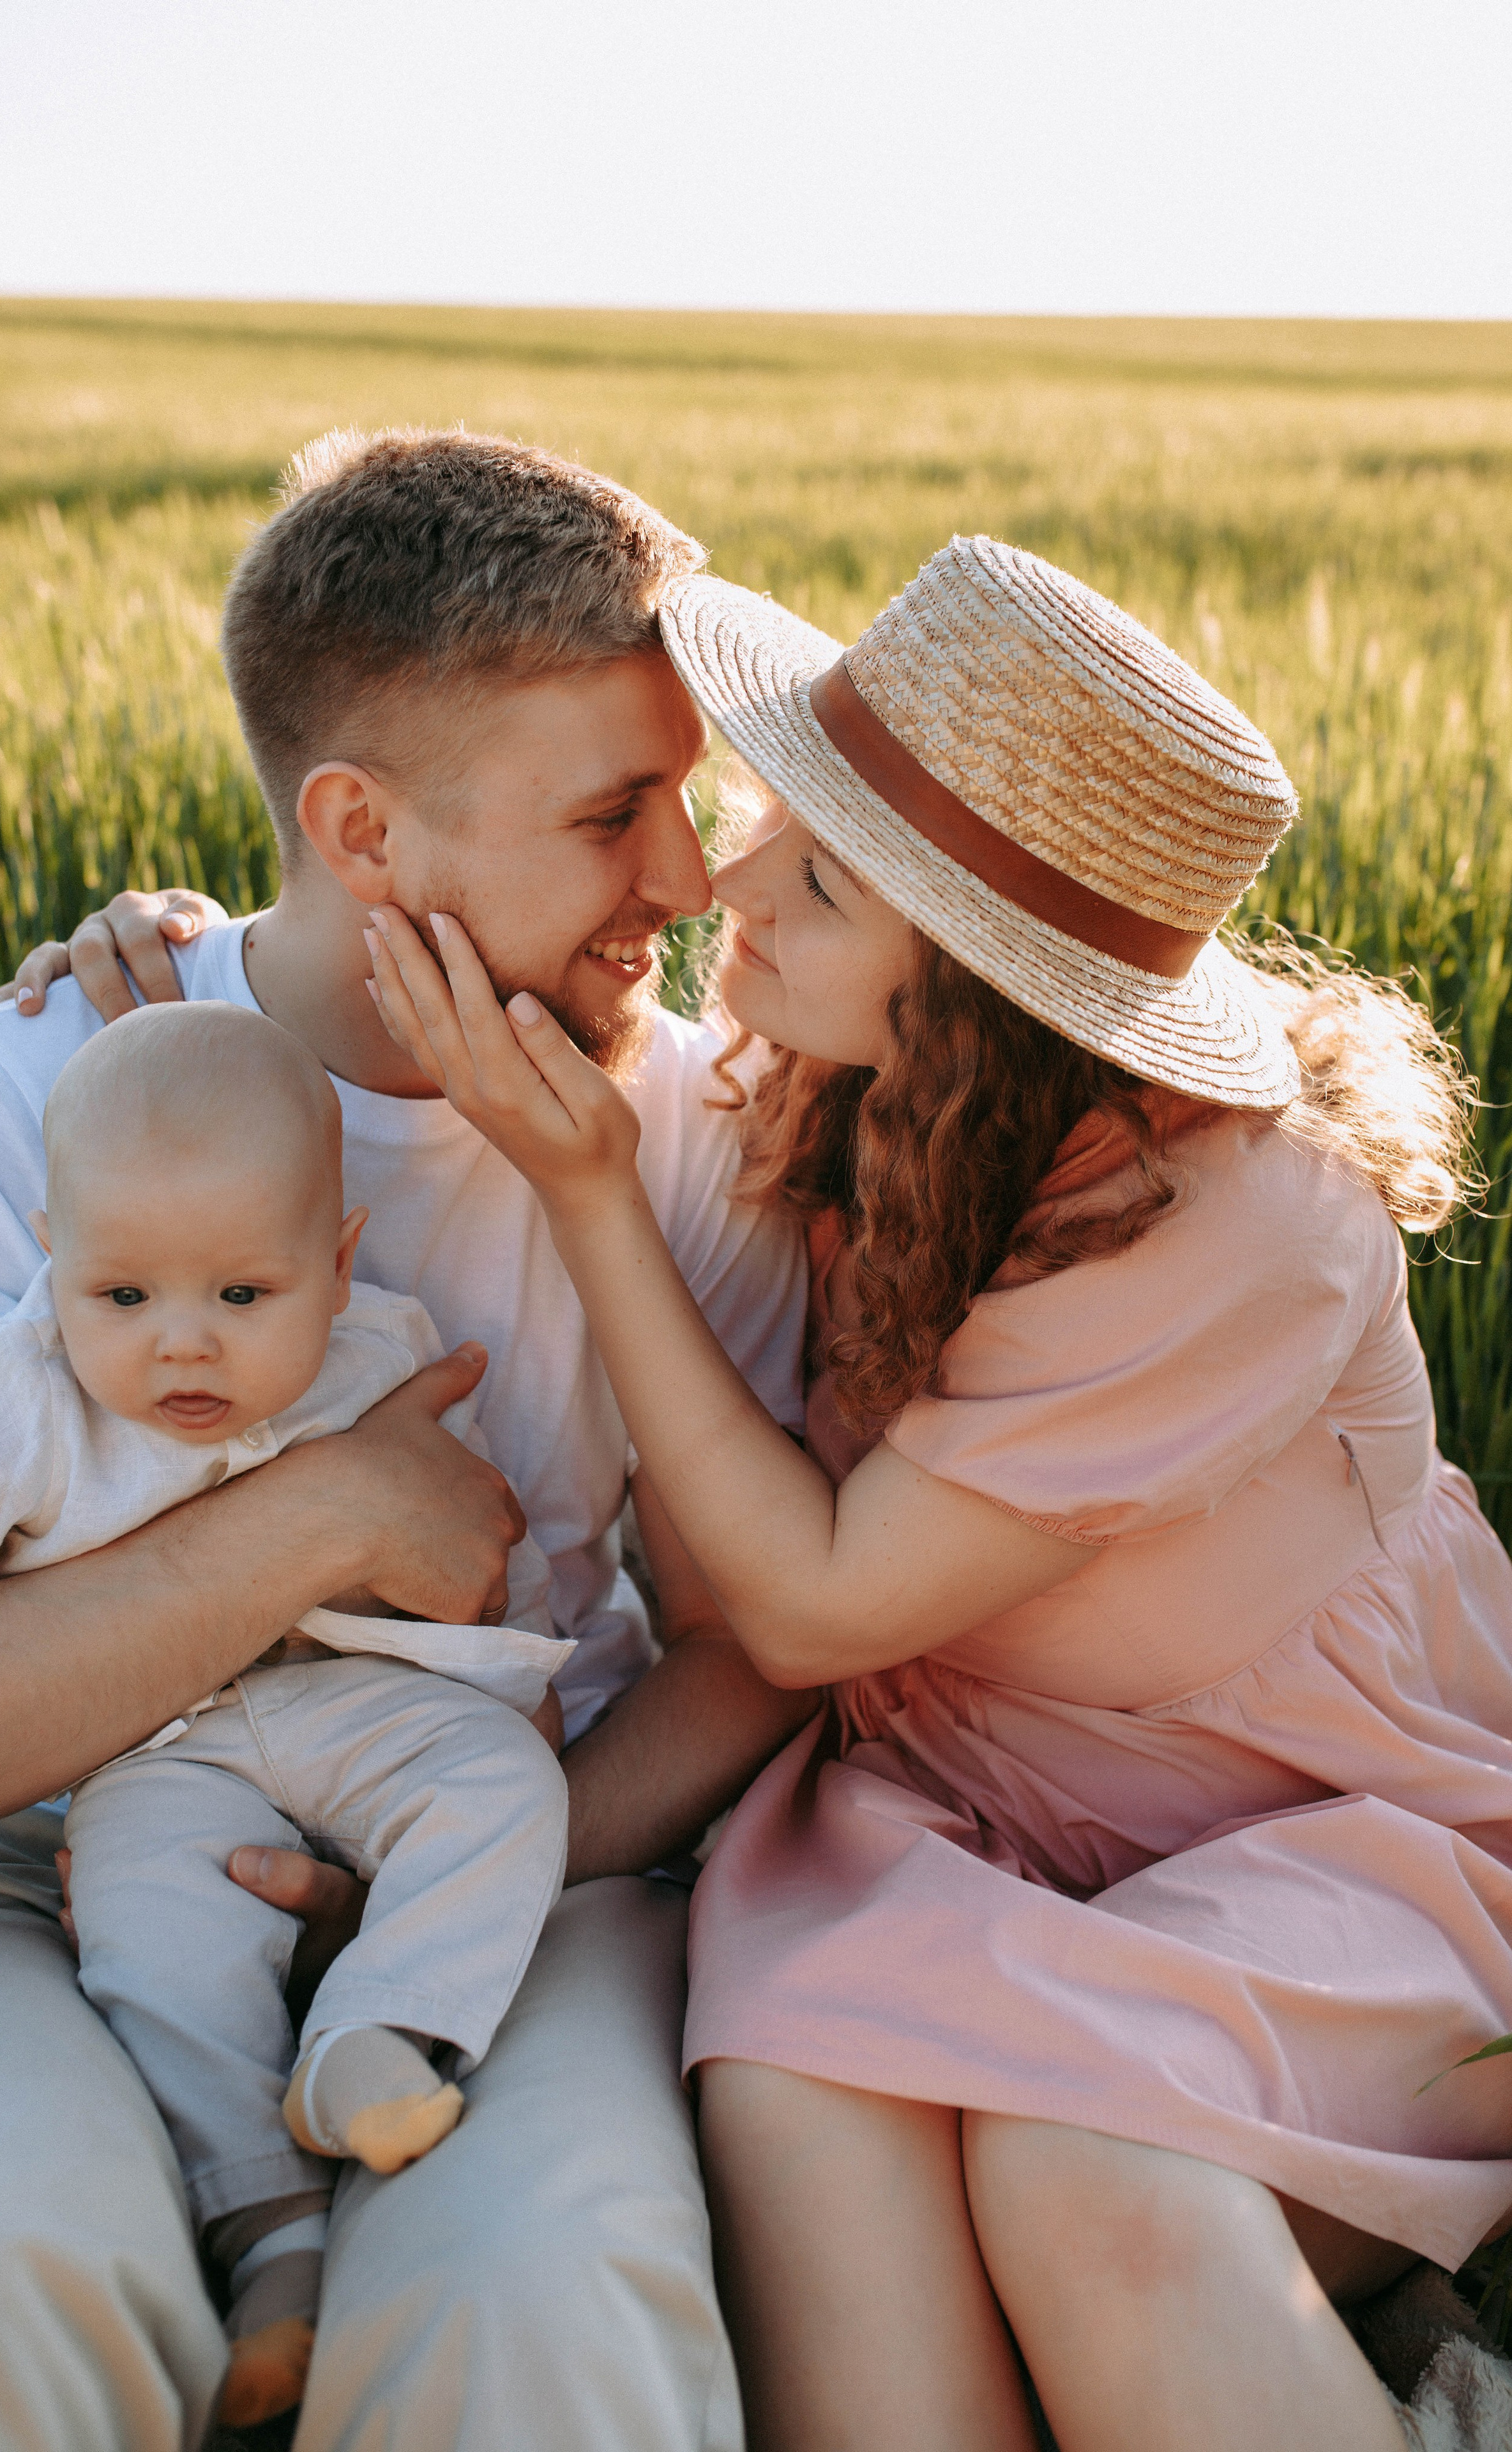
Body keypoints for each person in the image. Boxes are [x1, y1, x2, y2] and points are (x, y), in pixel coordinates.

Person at [359, 533, 1512, 2452]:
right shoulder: (834, 1076)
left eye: (814, 878)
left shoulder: (1251, 1232)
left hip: (1330, 1850)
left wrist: (585, 1203)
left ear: (980, 995)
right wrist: (180, 959)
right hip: (958, 1823)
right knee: (810, 2113)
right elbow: (428, 926)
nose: (729, 880)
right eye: (778, 815)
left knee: (1096, 2181)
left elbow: (811, 1603)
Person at [0, 428, 812, 2452]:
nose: (685, 875)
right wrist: (318, 1521)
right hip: (29, 1867)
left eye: (693, 794)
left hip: (516, 1840)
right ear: (364, 833)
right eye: (613, 812)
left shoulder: (692, 1135)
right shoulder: (19, 1088)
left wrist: (467, 1855)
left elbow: (760, 1641)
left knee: (555, 2307)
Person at [0, 997, 576, 2430]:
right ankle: (266, 2237)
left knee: (507, 1790)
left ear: (332, 1264)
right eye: (122, 1298)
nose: (179, 1350)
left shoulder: (386, 1358)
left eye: (240, 1298)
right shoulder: (7, 1406)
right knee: (151, 1938)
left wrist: (505, 1662)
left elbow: (482, 1553)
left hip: (352, 1711)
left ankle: (375, 2034)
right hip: (150, 1752)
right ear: (55, 1261)